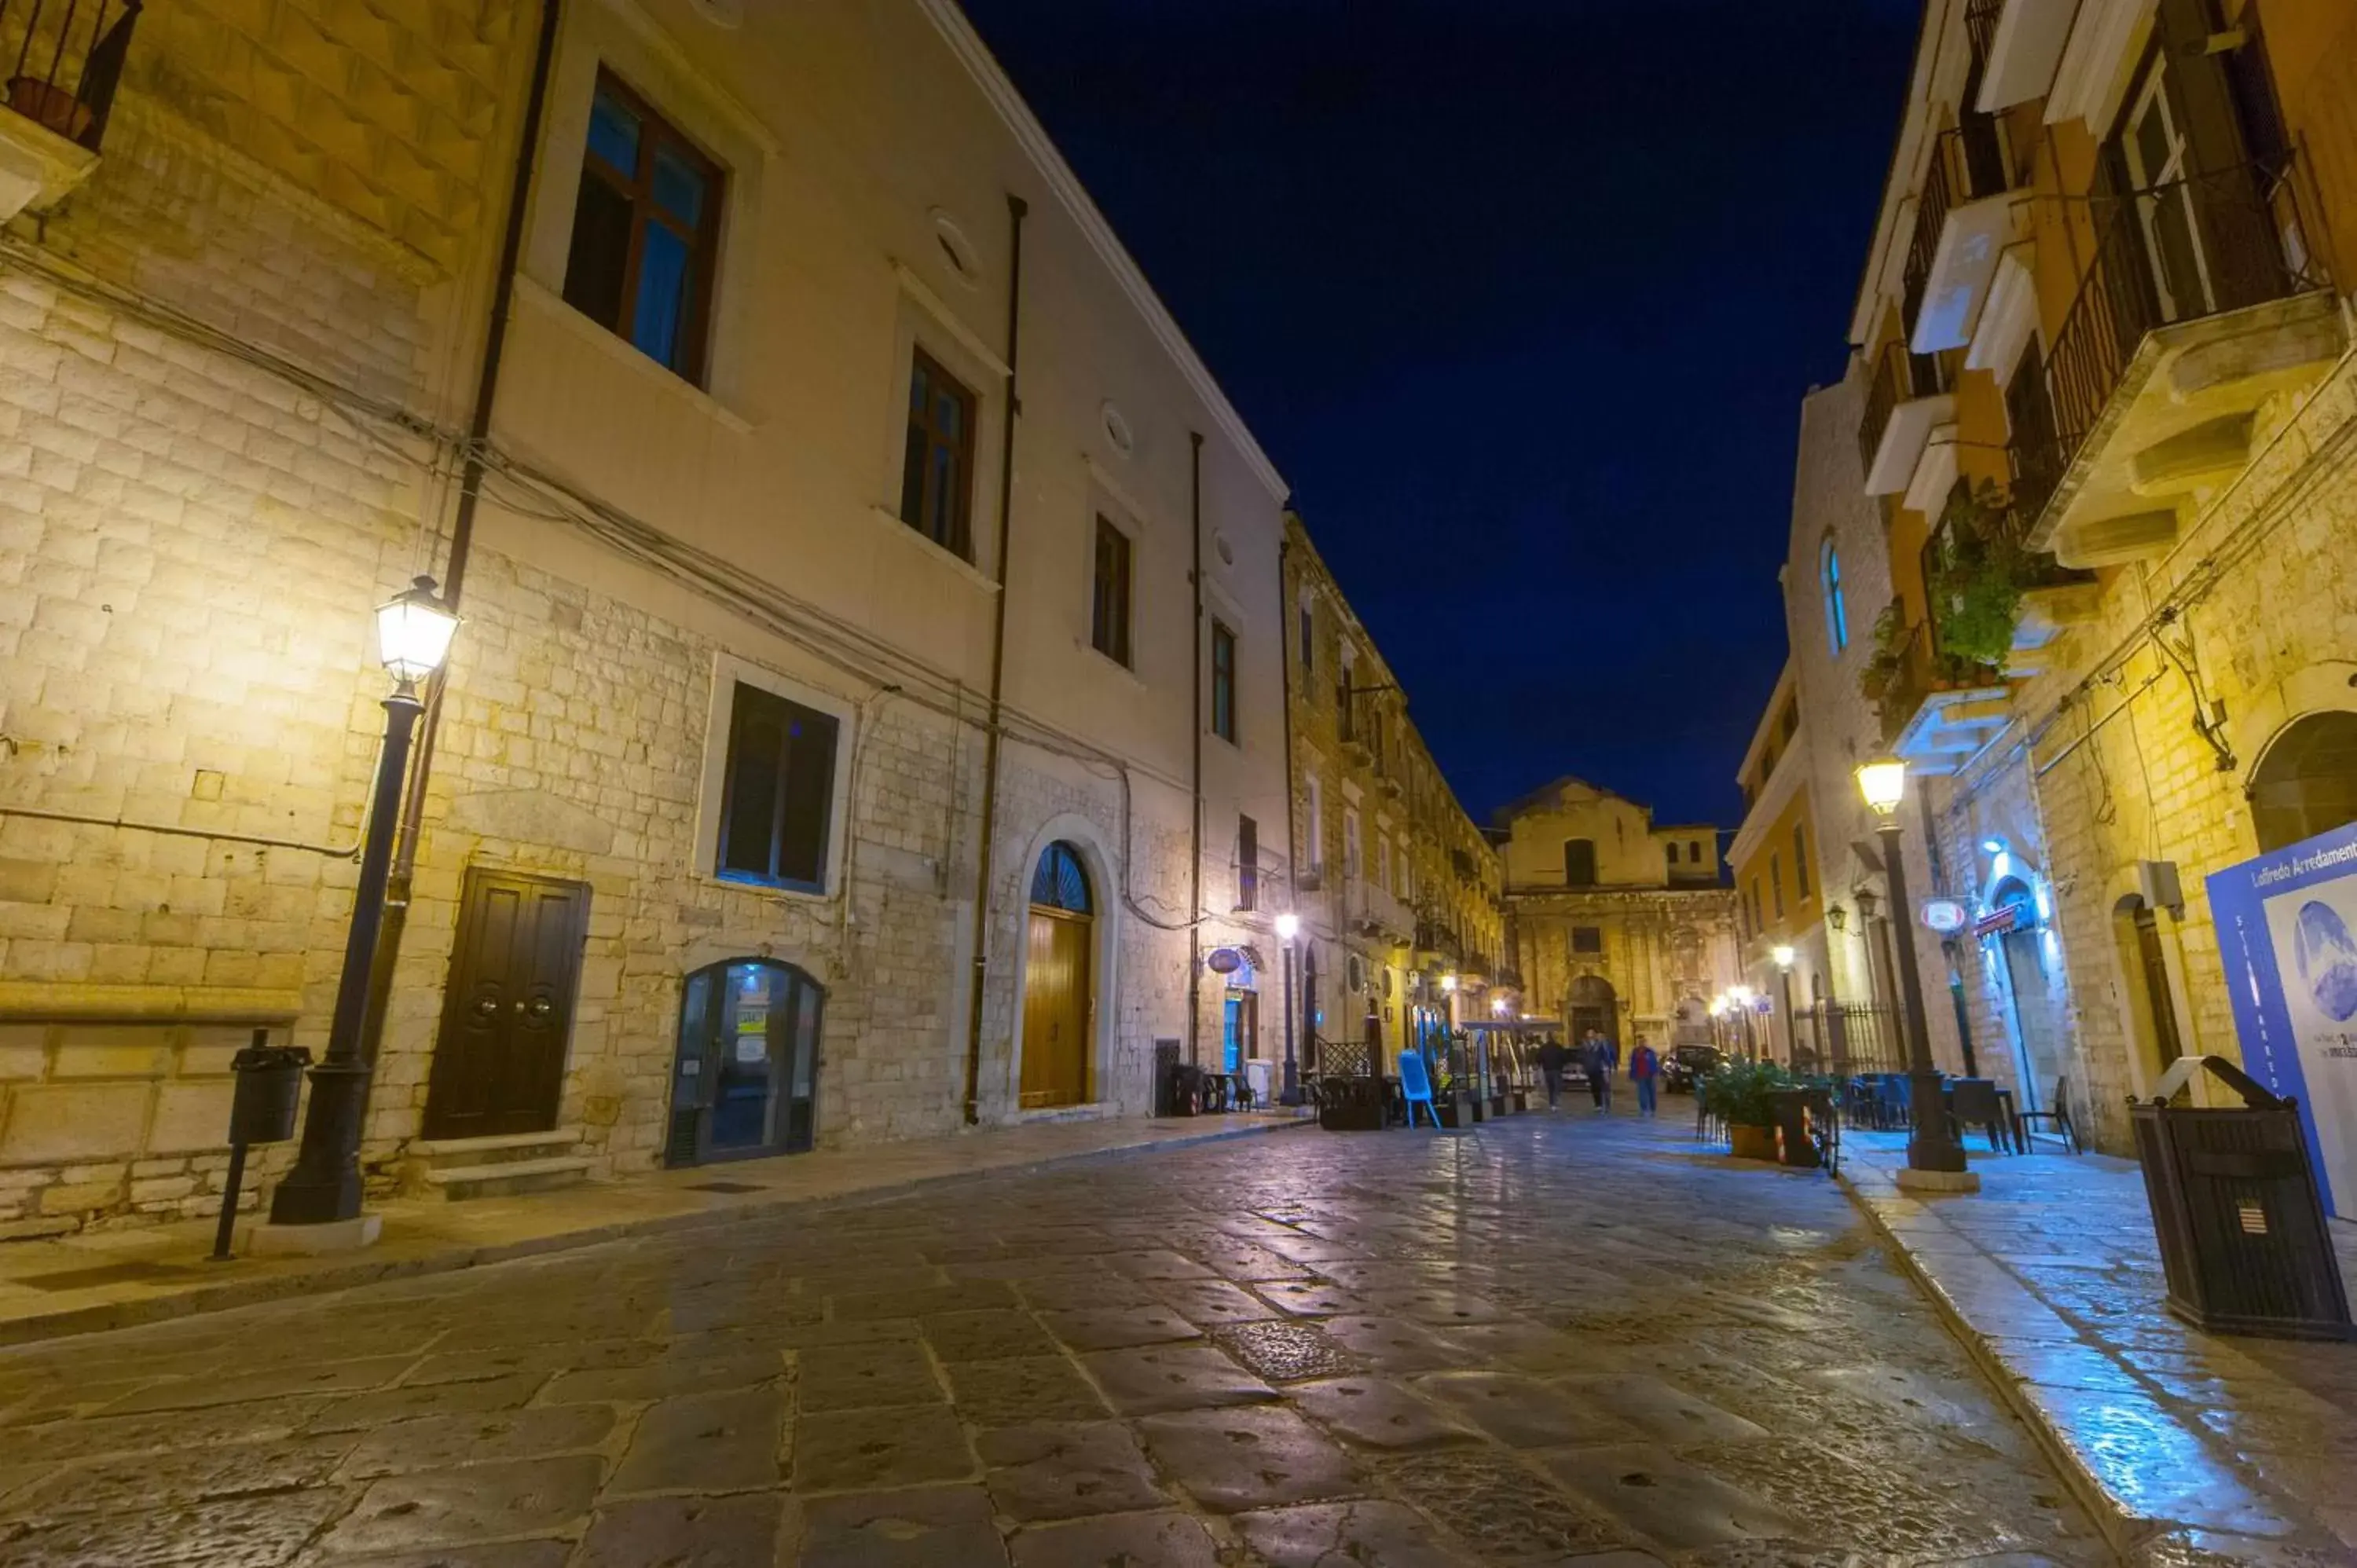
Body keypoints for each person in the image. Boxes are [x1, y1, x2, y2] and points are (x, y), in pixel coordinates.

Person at [1629, 1037, 1660, 1119]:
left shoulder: (1650, 1052)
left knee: (1651, 1092)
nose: (1641, 1043)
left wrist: (1655, 1072)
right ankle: (1644, 1108)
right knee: (1642, 1093)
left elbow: (1654, 1063)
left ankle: (1653, 1108)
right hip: (1640, 1075)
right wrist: (1632, 1074)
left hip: (1650, 1075)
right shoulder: (1635, 1052)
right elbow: (1633, 1064)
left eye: (1643, 1042)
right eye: (1640, 1042)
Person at [1537, 1034, 1571, 1108]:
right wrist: (1563, 1064)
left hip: (1547, 1070)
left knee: (1550, 1087)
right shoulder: (1558, 1047)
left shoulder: (1543, 1048)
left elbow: (1539, 1058)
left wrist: (1541, 1064)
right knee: (1557, 1087)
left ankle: (1552, 1103)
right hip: (1557, 1069)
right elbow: (1564, 1057)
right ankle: (1556, 1101)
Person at [1582, 1029, 1609, 1112]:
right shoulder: (1585, 1045)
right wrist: (1584, 1065)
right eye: (1589, 1034)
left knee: (1600, 1086)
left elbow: (1604, 1055)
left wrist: (1606, 1065)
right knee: (1593, 1087)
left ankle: (1602, 1103)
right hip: (1590, 1068)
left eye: (1592, 1034)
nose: (1591, 1035)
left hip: (1598, 1068)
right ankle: (1597, 1104)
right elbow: (1582, 1056)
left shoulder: (1599, 1044)